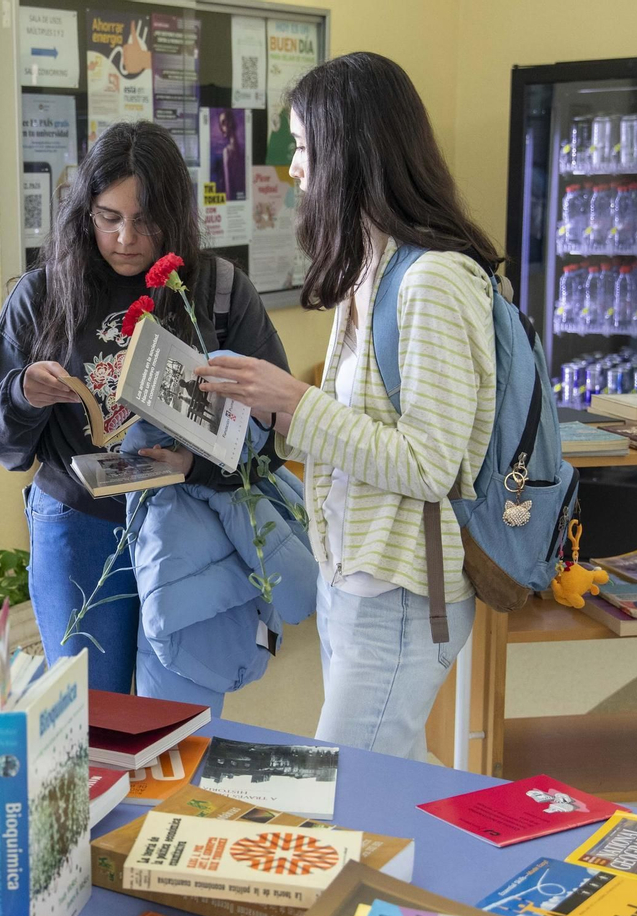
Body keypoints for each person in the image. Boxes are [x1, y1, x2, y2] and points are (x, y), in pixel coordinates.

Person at [195, 52, 499, 760]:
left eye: (303, 146)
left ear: (351, 151)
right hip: (356, 573)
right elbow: (361, 432)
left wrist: (296, 404)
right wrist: (273, 407)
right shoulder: (373, 267)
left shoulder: (432, 283)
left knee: (345, 788)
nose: (294, 168)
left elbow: (431, 466)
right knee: (390, 775)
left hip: (401, 585)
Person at [0, 121, 288, 693]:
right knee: (92, 718)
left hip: (192, 524)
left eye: (145, 220)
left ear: (177, 214)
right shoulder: (43, 295)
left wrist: (195, 465)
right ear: (85, 211)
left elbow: (273, 431)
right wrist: (23, 394)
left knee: (179, 719)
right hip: (78, 528)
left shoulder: (218, 290)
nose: (125, 238)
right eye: (109, 217)